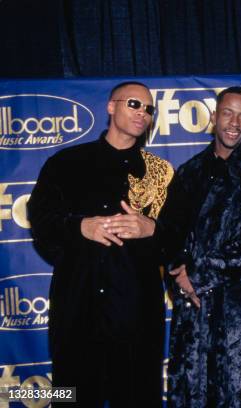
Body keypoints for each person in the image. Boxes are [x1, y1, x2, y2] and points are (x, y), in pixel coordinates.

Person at [27, 81, 172, 406]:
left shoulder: (159, 174)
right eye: (134, 104)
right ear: (111, 106)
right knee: (73, 398)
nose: (142, 114)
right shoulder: (66, 164)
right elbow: (42, 222)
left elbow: (178, 240)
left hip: (136, 318)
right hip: (78, 311)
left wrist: (152, 229)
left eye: (149, 109)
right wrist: (80, 227)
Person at [150, 86, 241, 407]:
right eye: (228, 113)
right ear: (213, 117)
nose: (234, 123)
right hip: (194, 314)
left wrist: (196, 274)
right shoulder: (190, 171)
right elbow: (170, 234)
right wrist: (178, 272)